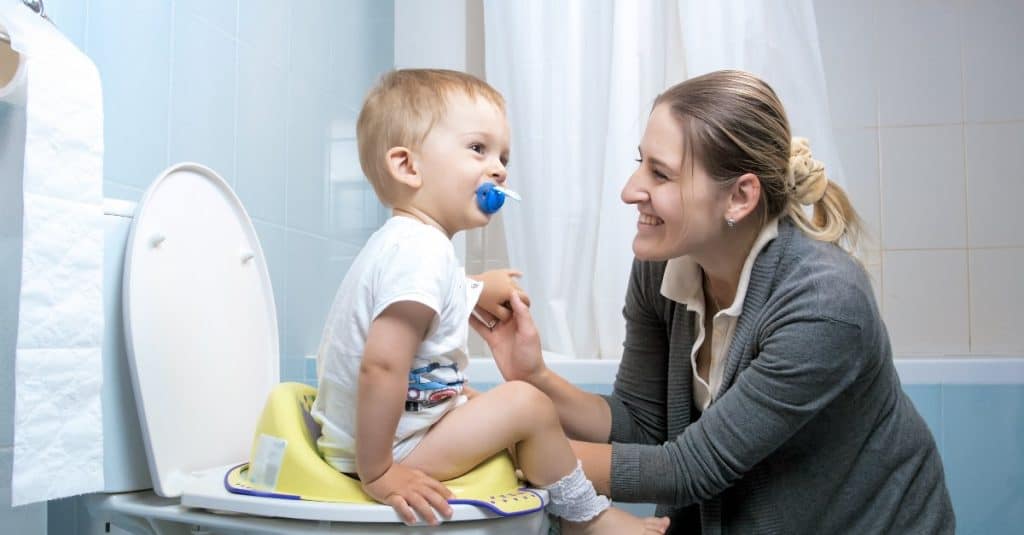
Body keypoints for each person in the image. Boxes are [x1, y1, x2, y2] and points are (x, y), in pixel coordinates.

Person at [473, 69, 955, 534]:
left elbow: (688, 470)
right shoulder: (661, 266)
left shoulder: (824, 303)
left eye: (660, 174)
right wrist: (534, 378)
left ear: (740, 198)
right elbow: (642, 425)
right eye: (639, 161)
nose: (629, 190)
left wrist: (511, 446)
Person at [310, 68, 670, 534]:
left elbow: (429, 300)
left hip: (384, 433)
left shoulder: (410, 245)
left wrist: (477, 287)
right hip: (385, 449)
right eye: (478, 149)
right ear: (408, 166)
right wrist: (380, 471)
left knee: (489, 405)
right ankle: (587, 518)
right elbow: (380, 366)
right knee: (526, 405)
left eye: (503, 156)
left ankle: (579, 508)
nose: (499, 168)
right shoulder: (420, 251)